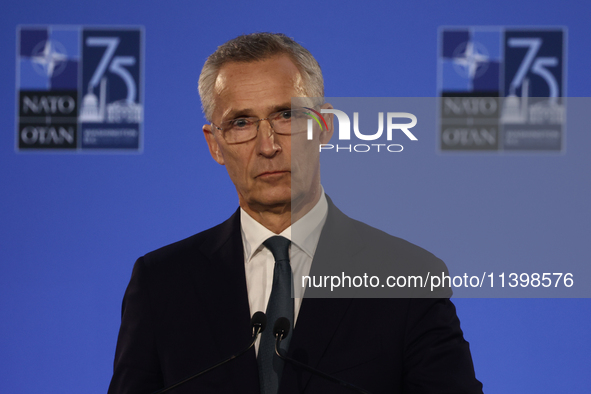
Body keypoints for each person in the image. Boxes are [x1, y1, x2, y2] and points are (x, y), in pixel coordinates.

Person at [108, 32, 483, 394]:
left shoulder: (407, 278)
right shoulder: (161, 284)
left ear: (325, 126)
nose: (267, 146)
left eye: (286, 116)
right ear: (215, 145)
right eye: (241, 123)